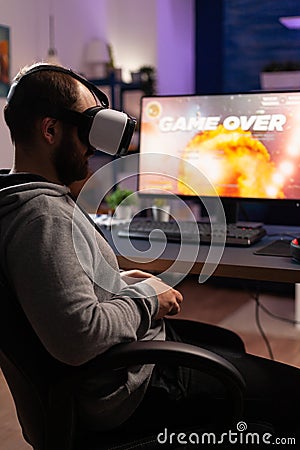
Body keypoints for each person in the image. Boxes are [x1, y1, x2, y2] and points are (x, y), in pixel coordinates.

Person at [0, 62, 300, 443]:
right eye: (86, 131)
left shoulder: (19, 203)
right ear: (50, 129)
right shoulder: (43, 217)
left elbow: (52, 290)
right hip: (129, 393)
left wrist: (118, 282)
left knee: (229, 345)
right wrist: (146, 299)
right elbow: (79, 337)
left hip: (122, 371)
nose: (92, 148)